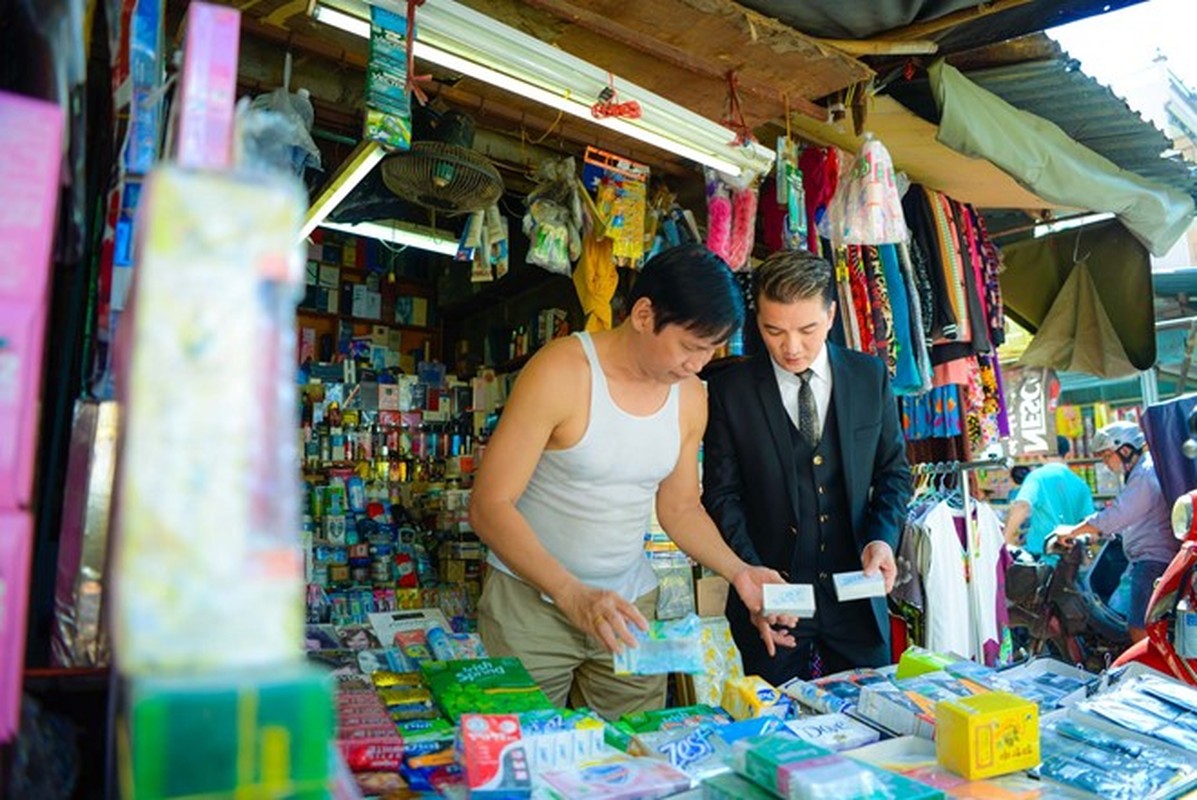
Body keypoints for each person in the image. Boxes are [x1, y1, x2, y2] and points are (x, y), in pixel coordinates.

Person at [468, 244, 790, 721]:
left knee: (634, 754)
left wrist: (738, 570)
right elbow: (489, 505)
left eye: (709, 350)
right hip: (530, 605)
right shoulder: (561, 372)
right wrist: (571, 594)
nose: (698, 364)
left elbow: (679, 508)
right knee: (523, 753)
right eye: (690, 346)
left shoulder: (690, 396)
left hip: (630, 607)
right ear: (643, 315)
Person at [702, 249, 911, 685]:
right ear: (755, 320)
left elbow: (893, 474)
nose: (791, 347)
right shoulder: (730, 391)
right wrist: (753, 577)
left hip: (856, 595)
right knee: (775, 733)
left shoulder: (868, 376)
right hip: (771, 601)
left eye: (807, 329)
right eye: (773, 330)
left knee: (873, 720)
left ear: (832, 315)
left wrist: (883, 539)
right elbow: (722, 495)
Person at [1059, 421, 1180, 643]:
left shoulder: (1144, 473)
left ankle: (1147, 674)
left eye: (1107, 456)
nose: (1106, 464)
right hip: (1143, 560)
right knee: (1120, 618)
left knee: (1138, 628)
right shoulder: (1142, 471)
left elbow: (1118, 514)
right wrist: (1099, 532)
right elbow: (1134, 519)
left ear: (1124, 449)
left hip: (1152, 561)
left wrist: (1074, 531)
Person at [1003, 437, 1095, 555]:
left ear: (1041, 455)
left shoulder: (1037, 477)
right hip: (1071, 560)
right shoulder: (1081, 484)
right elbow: (1092, 529)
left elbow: (1022, 506)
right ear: (1068, 455)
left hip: (1042, 556)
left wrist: (1005, 541)